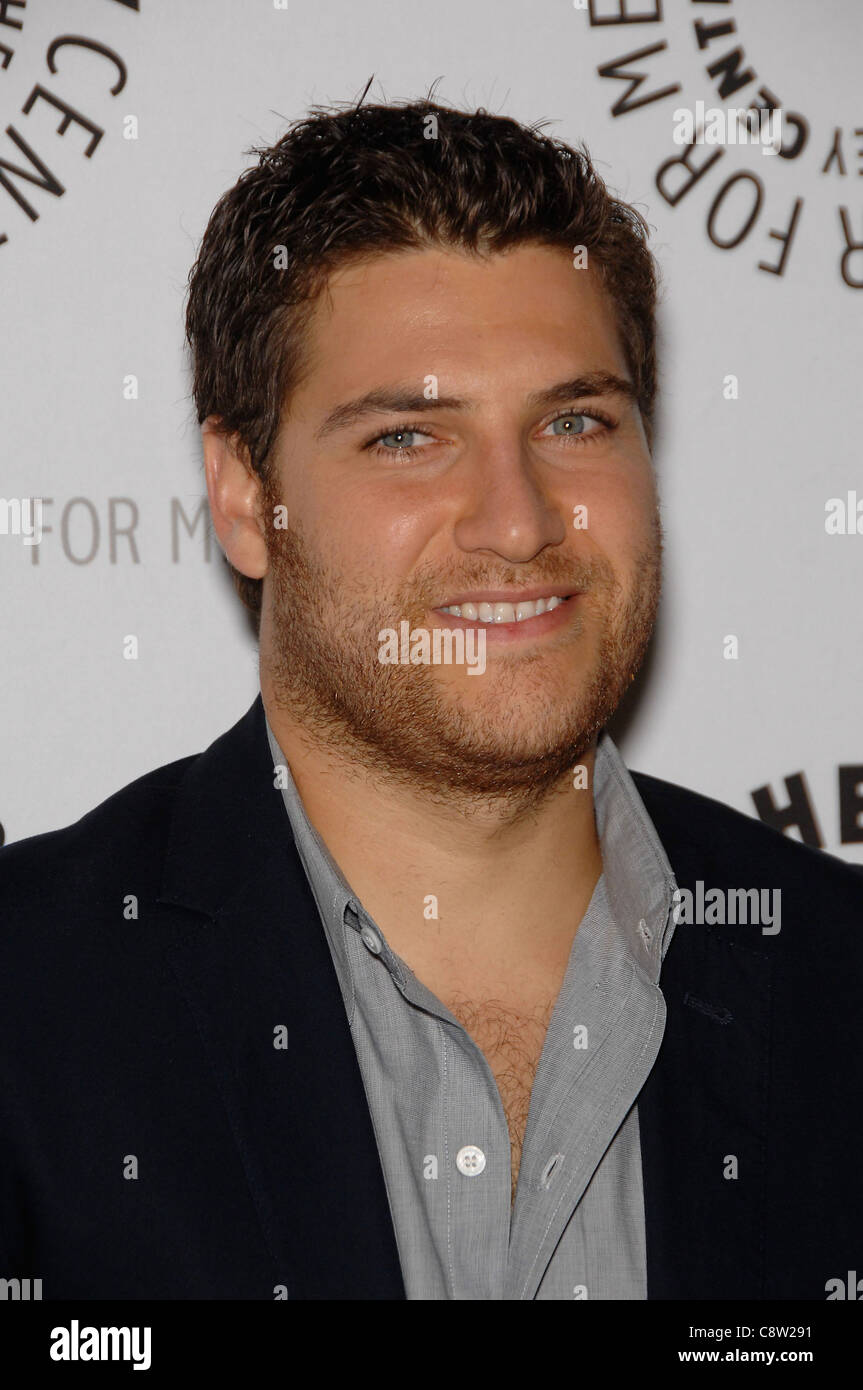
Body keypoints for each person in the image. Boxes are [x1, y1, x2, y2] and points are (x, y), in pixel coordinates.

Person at [1, 91, 860, 1302]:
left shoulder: (834, 977)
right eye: (409, 437)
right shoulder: (33, 1002)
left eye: (572, 420)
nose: (516, 521)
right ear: (244, 495)